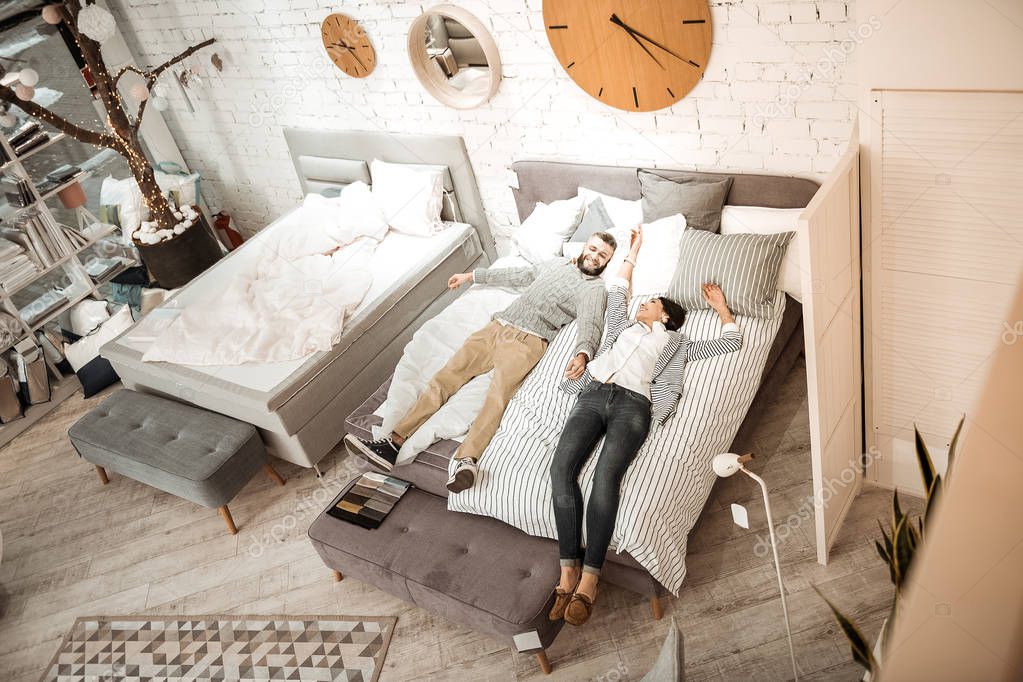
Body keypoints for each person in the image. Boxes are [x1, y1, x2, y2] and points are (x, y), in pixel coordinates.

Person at [547, 226, 742, 627]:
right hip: (594, 393)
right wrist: (634, 250)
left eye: (651, 302)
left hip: (633, 407)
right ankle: (567, 568)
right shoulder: (622, 327)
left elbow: (729, 343)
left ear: (666, 315)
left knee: (605, 476)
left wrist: (722, 308)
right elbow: (619, 290)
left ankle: (590, 579)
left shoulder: (677, 343)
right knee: (561, 468)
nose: (644, 304)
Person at [346, 232, 618, 493]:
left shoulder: (594, 289)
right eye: (593, 249)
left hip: (528, 343)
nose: (595, 257)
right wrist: (473, 275)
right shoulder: (557, 264)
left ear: (607, 262)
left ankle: (467, 461)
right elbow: (518, 274)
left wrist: (583, 353)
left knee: (496, 399)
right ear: (585, 248)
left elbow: (591, 324)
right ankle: (393, 443)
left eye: (603, 255)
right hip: (495, 329)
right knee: (444, 380)